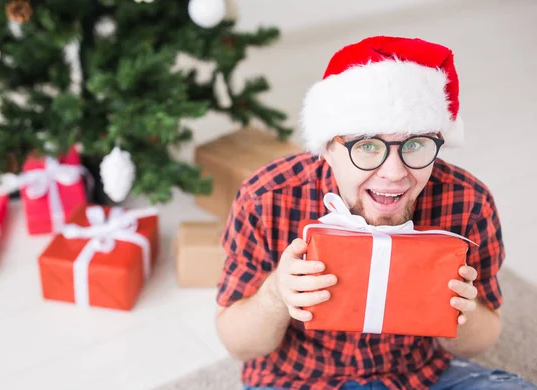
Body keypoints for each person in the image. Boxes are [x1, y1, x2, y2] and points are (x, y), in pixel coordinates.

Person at [214, 36, 537, 390]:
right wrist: (276, 292)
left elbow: (481, 340)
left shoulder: (469, 202)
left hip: (419, 375)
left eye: (415, 144)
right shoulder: (265, 198)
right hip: (296, 379)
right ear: (328, 148)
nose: (395, 173)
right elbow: (239, 344)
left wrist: (464, 310)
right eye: (367, 146)